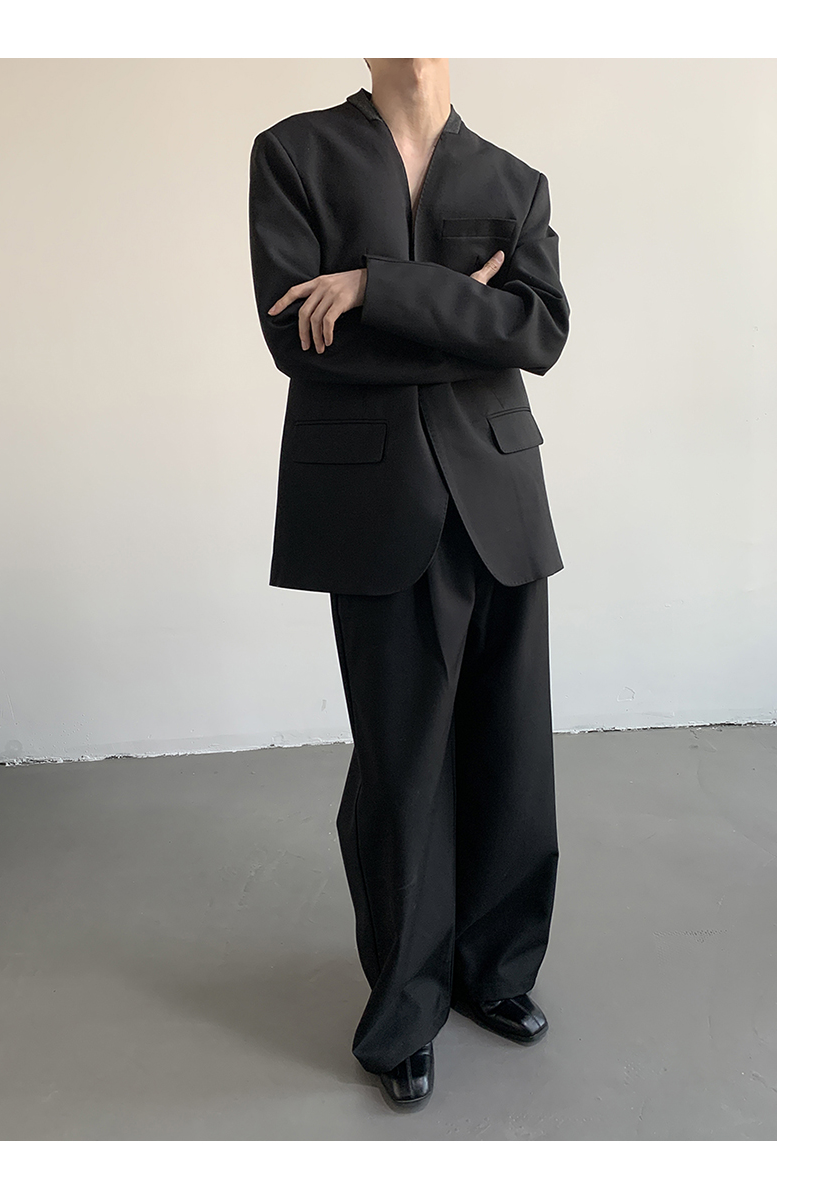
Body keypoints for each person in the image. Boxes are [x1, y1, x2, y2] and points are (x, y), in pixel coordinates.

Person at [248, 57, 570, 1111]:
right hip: (376, 505)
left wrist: (376, 288)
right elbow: (299, 342)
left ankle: (494, 971)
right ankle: (404, 1008)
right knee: (403, 766)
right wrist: (463, 309)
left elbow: (539, 333)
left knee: (512, 756)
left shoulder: (514, 179)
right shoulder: (295, 155)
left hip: (501, 497)